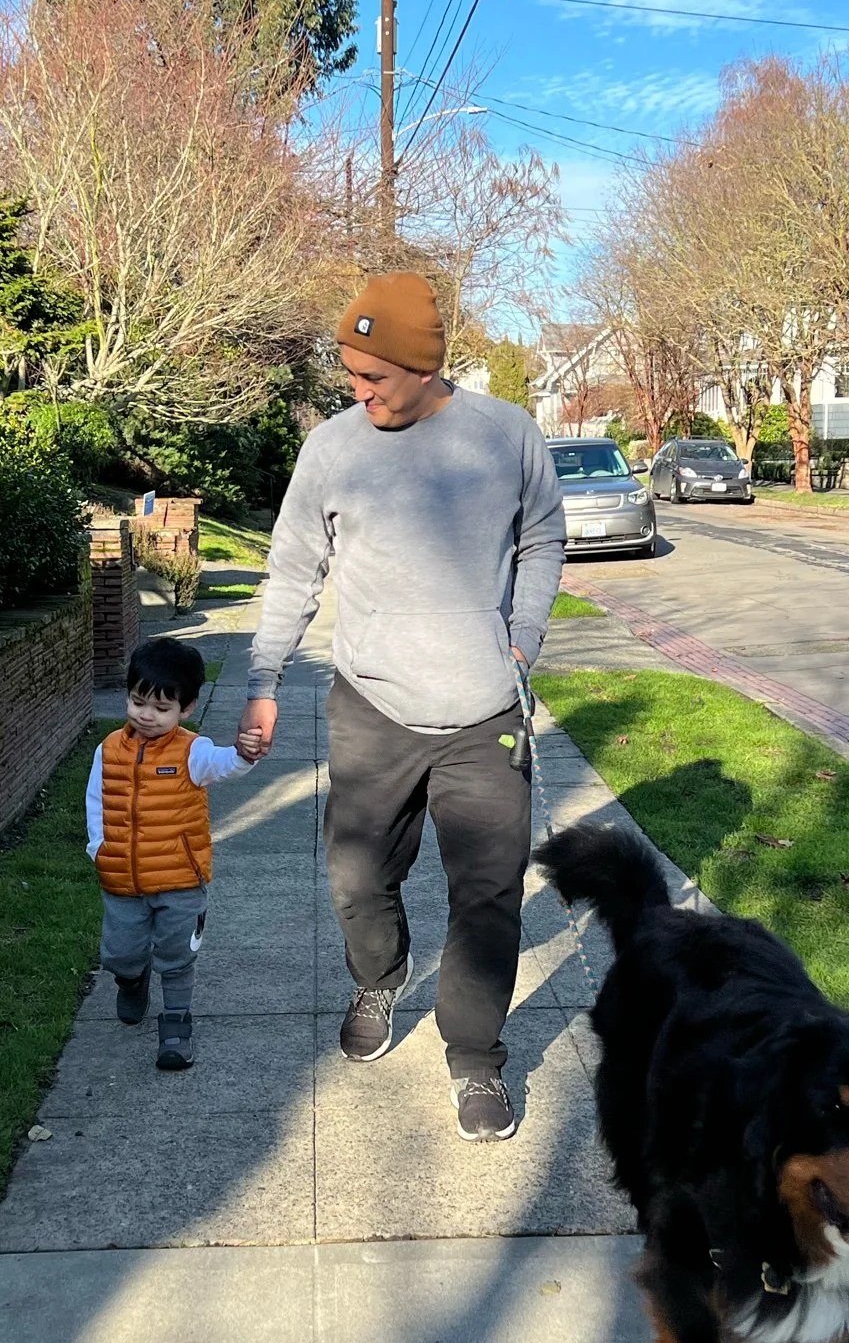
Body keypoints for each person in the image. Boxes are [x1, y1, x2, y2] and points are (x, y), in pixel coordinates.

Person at [238, 272, 566, 1141]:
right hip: (371, 706)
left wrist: (523, 635)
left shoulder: (505, 435)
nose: (358, 391)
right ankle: (379, 975)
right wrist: (263, 683)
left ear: (426, 366)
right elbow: (292, 571)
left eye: (373, 376)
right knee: (355, 877)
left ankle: (476, 1059)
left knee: (489, 896)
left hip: (482, 711)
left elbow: (542, 537)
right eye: (349, 373)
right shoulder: (332, 448)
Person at [86, 635, 257, 1072]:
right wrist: (98, 848)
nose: (147, 715)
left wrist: (246, 752)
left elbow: (226, 765)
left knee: (177, 955)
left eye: (161, 709)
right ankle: (131, 977)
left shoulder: (192, 751)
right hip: (122, 878)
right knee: (119, 953)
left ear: (186, 709)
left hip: (181, 878)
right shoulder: (107, 750)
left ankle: (176, 1025)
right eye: (138, 702)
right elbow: (96, 801)